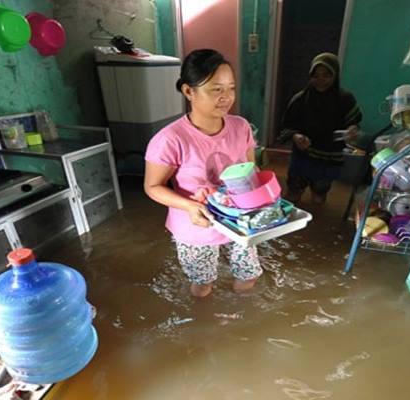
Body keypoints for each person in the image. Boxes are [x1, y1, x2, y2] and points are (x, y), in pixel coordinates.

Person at [144, 49, 262, 298]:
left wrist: (266, 197)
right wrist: (189, 206)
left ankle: (242, 325)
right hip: (197, 224)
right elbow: (152, 187)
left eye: (230, 88)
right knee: (203, 284)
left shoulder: (240, 127)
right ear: (189, 91)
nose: (226, 97)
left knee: (248, 275)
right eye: (216, 89)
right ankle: (205, 326)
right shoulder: (170, 139)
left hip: (239, 220)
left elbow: (252, 170)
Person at [280, 52, 362, 204]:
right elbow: (287, 125)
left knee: (319, 196)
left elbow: (354, 121)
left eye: (326, 75)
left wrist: (352, 130)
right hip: (304, 153)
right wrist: (295, 136)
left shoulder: (345, 99)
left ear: (335, 75)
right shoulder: (300, 99)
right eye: (315, 76)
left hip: (329, 155)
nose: (320, 81)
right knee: (293, 193)